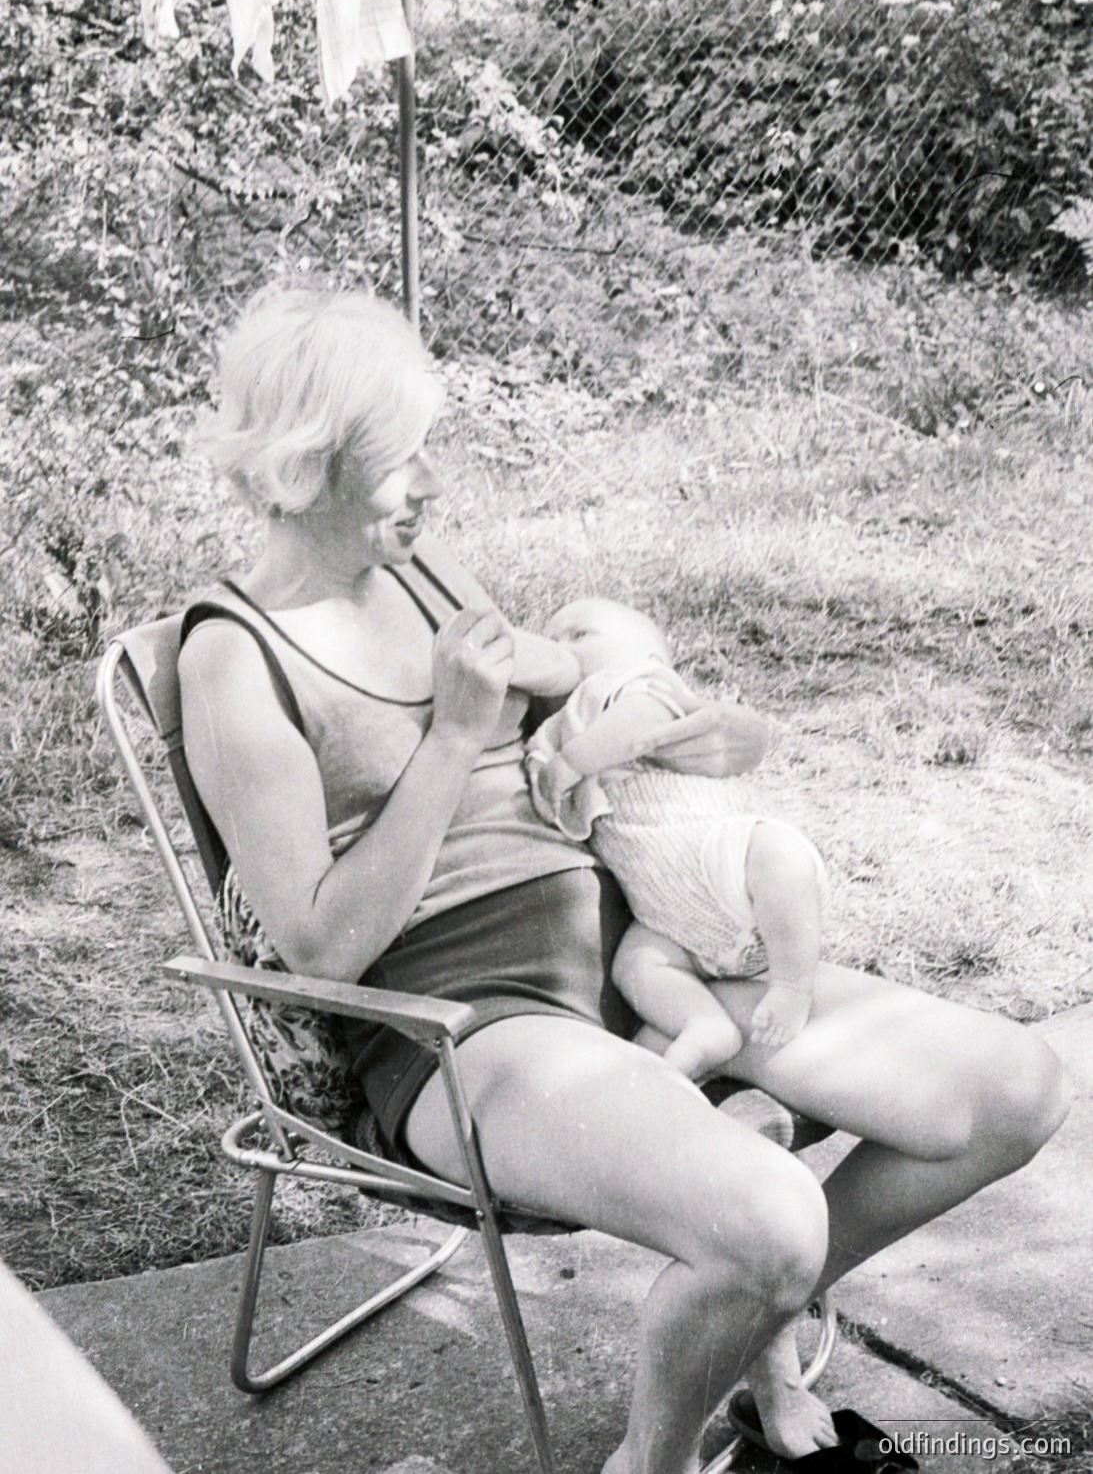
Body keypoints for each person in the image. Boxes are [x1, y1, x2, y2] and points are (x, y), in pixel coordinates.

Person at [178, 283, 1070, 1474]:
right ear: (307, 467)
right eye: (403, 457)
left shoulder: (424, 571)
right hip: (466, 1033)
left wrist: (672, 720)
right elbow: (320, 953)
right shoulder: (235, 663)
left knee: (1012, 1087)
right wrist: (450, 740)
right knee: (765, 1219)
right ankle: (654, 1453)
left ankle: (765, 1312)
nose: (435, 483)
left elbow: (562, 687)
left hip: (637, 951)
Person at [521, 596, 825, 1078]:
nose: (559, 646)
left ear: (652, 656)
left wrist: (571, 764)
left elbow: (642, 722)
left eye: (578, 634)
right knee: (635, 968)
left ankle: (792, 984)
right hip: (667, 917)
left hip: (721, 860)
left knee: (778, 853)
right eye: (549, 638)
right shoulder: (562, 725)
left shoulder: (634, 684)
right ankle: (702, 1028)